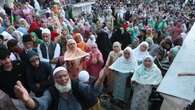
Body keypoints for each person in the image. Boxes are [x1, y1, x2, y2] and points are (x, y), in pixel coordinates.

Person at [14, 66, 101, 110]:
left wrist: (100, 79)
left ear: (68, 75)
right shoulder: (51, 91)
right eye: (59, 77)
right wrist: (28, 100)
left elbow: (91, 91)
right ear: (54, 79)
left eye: (65, 75)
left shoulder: (76, 84)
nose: (63, 79)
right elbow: (43, 103)